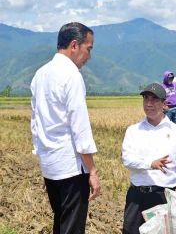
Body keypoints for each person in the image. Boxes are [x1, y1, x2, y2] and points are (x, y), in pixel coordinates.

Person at [30, 22, 100, 234]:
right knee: (72, 228)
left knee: (60, 222)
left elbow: (36, 123)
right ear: (74, 45)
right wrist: (93, 170)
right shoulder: (71, 76)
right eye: (88, 48)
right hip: (70, 166)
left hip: (50, 165)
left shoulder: (40, 74)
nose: (89, 56)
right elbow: (80, 128)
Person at [121, 82, 176, 234]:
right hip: (136, 197)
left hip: (163, 196)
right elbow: (127, 159)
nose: (149, 104)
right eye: (146, 99)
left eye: (154, 99)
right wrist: (150, 163)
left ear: (164, 104)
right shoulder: (133, 131)